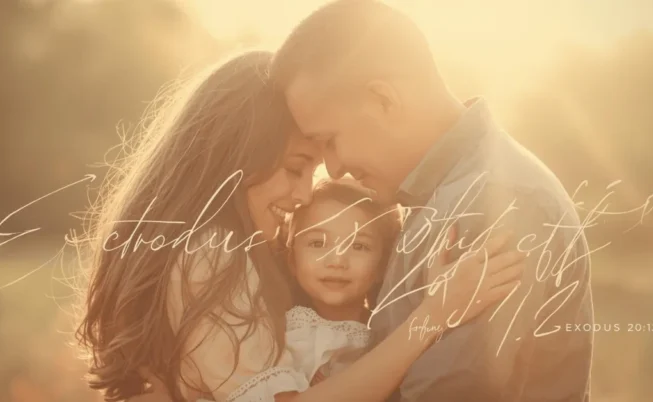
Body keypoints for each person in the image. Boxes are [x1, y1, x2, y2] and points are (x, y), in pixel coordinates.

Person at [76, 49, 525, 402]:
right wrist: (434, 315)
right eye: (296, 168)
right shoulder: (209, 251)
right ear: (234, 156)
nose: (305, 195)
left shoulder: (218, 246)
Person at [270, 1, 595, 401]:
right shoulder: (438, 194)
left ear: (384, 100)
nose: (333, 170)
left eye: (329, 141)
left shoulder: (494, 203)